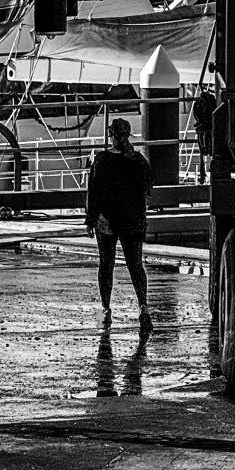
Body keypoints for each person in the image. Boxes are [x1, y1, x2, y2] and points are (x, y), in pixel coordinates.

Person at [86, 116, 153, 332]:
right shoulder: (139, 161)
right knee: (135, 264)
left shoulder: (102, 160)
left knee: (106, 264)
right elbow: (146, 192)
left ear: (110, 135)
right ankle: (143, 308)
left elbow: (94, 194)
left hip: (107, 222)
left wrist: (90, 219)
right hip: (133, 221)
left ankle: (105, 310)